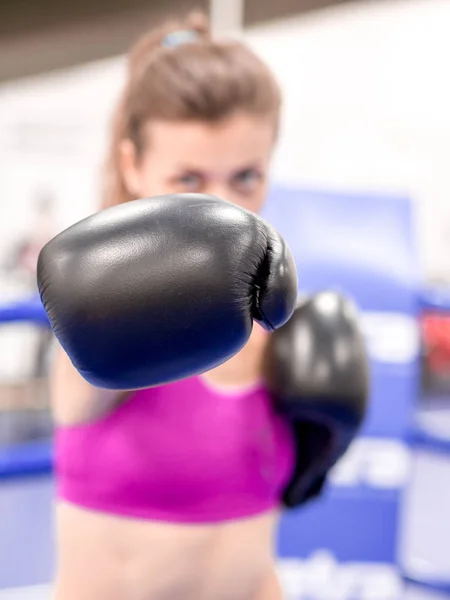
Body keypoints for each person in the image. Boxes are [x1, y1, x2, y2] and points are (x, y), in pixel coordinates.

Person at [40, 12, 368, 600]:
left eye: (245, 177)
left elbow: (253, 551)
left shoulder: (277, 325)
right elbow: (74, 396)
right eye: (189, 180)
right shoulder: (105, 319)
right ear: (133, 167)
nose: (225, 213)